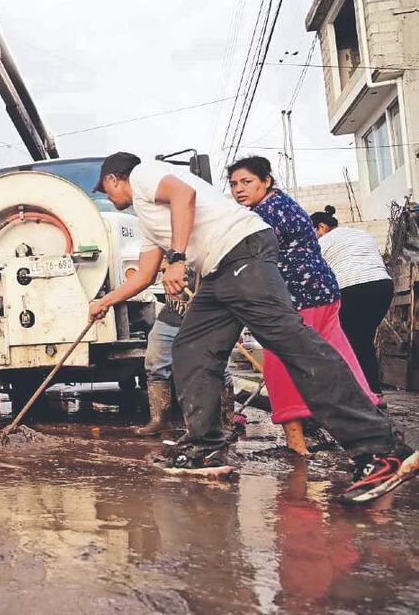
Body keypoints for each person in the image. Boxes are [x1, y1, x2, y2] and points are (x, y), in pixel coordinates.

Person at [88, 152, 415, 503]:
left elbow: (185, 196)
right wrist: (103, 303)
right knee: (192, 348)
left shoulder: (144, 174)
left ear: (113, 179)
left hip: (241, 251)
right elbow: (146, 272)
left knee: (292, 343)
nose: (110, 199)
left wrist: (178, 257)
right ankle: (204, 448)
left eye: (107, 192)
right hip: (218, 270)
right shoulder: (148, 217)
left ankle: (380, 449)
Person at [229, 157, 381, 452]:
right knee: (339, 360)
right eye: (234, 184)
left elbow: (248, 257)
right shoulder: (285, 204)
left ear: (266, 181)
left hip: (296, 299)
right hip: (324, 292)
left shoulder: (265, 213)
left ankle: (296, 444)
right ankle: (374, 431)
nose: (238, 189)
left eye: (246, 182)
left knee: (281, 364)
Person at [137, 260, 235, 437]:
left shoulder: (207, 241)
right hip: (171, 314)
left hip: (206, 316)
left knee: (218, 368)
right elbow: (149, 269)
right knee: (155, 363)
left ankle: (226, 422)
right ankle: (159, 420)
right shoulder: (168, 245)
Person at [311, 205, 393, 400]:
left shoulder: (322, 243)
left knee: (349, 342)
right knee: (362, 340)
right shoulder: (361, 234)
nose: (311, 236)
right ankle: (374, 393)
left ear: (321, 227)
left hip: (353, 288)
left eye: (311, 230)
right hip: (382, 287)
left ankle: (361, 395)